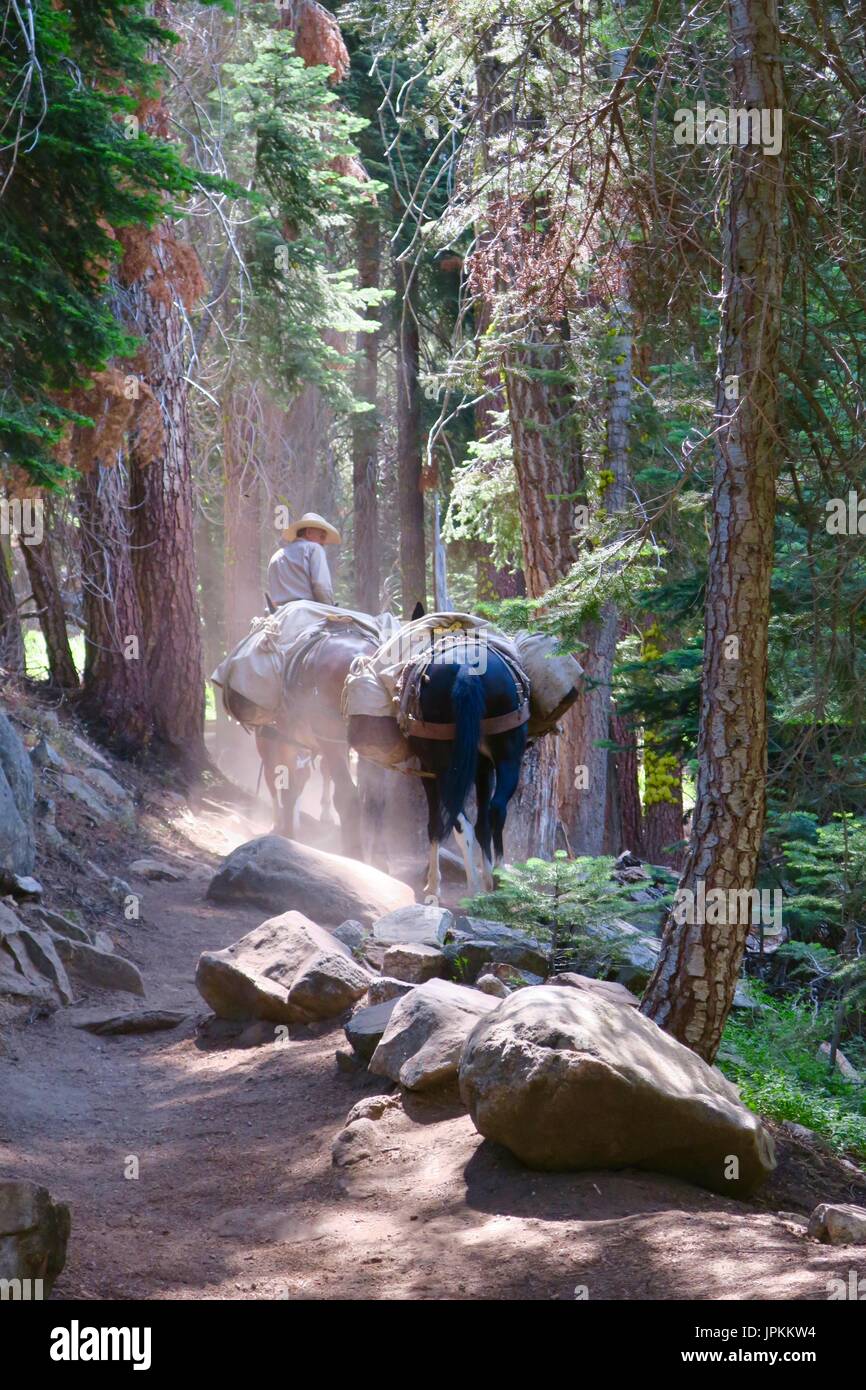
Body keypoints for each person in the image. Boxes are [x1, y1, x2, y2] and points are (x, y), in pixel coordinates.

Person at [266, 512, 341, 608]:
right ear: (308, 532)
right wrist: (329, 607)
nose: (323, 543)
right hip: (307, 611)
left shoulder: (276, 556)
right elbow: (321, 586)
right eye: (322, 537)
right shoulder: (314, 548)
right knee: (364, 619)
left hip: (279, 614)